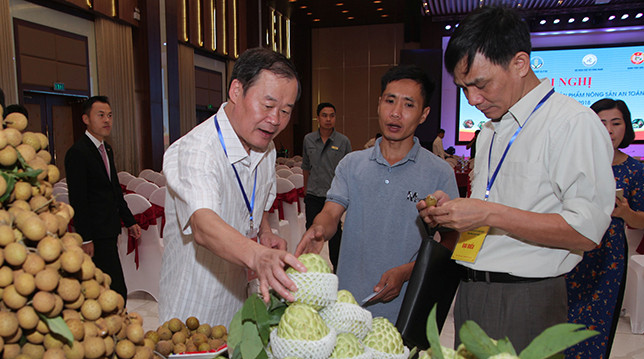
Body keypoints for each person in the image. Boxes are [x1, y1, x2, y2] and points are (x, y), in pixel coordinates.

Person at [417, 6, 615, 352]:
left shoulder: (571, 124)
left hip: (526, 297)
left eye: (480, 84)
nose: (473, 99)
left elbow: (586, 232)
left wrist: (488, 214)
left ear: (520, 63)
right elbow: (495, 203)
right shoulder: (492, 130)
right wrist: (453, 213)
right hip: (473, 288)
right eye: (463, 88)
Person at [297, 65, 459, 323]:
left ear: (424, 114)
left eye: (408, 105)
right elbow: (331, 212)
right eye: (390, 101)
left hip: (406, 308)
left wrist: (407, 272)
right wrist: (319, 230)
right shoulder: (352, 164)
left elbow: (451, 241)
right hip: (348, 306)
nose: (395, 113)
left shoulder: (438, 172)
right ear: (379, 104)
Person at [159, 48, 304, 327]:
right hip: (193, 308)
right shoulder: (198, 149)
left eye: (285, 111)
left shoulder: (267, 148)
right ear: (236, 91)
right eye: (268, 105)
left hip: (239, 297)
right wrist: (258, 256)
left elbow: (254, 200)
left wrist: (263, 232)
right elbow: (203, 225)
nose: (275, 120)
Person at [557, 99, 644, 359]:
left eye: (616, 123)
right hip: (567, 253)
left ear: (627, 127)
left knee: (593, 333)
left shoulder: (635, 170)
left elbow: (643, 219)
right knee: (559, 326)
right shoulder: (572, 163)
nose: (609, 130)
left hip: (608, 259)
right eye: (600, 123)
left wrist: (623, 213)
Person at [65, 96, 141, 304]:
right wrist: (86, 238)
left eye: (109, 115)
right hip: (95, 234)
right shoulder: (78, 153)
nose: (107, 120)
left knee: (108, 285)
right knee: (112, 288)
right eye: (100, 115)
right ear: (86, 119)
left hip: (109, 228)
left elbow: (115, 190)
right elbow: (78, 200)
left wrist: (130, 220)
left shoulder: (106, 149)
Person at [301, 102, 352, 270]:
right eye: (324, 115)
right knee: (312, 232)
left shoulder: (343, 141)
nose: (328, 119)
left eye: (332, 115)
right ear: (318, 118)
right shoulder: (308, 139)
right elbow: (306, 167)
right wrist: (306, 189)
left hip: (334, 197)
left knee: (336, 236)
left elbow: (349, 170)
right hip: (314, 194)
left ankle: (339, 271)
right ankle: (309, 271)